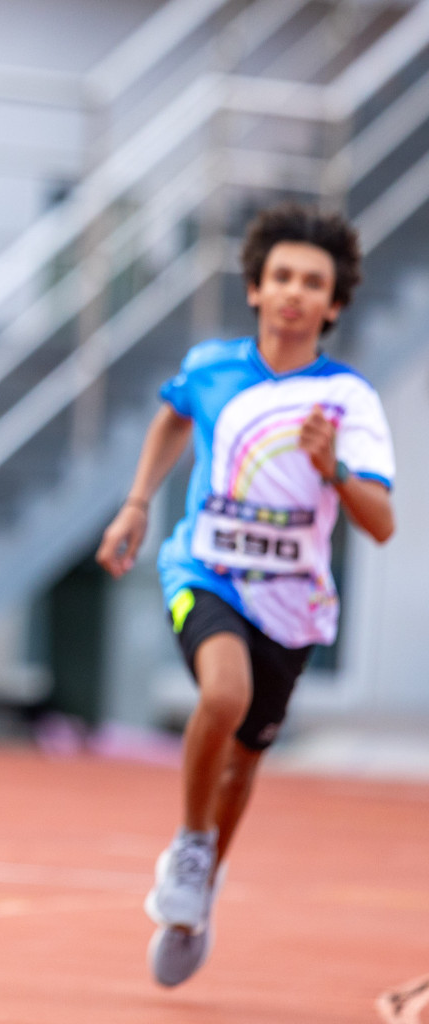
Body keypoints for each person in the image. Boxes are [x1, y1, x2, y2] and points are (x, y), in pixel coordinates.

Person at [97, 203, 396, 987]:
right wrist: (136, 503)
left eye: (314, 282)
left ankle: (201, 883)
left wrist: (333, 470)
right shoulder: (210, 366)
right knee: (222, 695)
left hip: (294, 600)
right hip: (205, 570)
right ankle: (192, 846)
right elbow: (170, 417)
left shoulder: (349, 401)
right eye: (283, 277)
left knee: (245, 763)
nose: (296, 292)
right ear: (258, 289)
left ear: (332, 304)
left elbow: (383, 524)